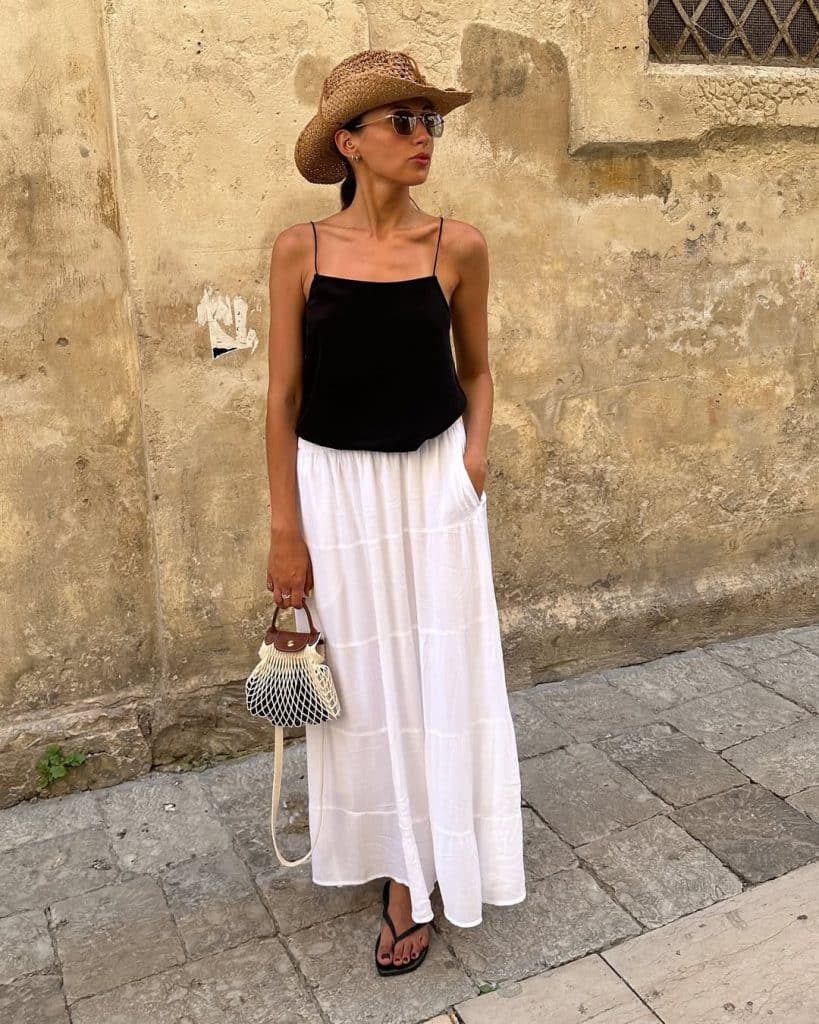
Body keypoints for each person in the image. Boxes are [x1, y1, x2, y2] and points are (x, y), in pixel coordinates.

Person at [265, 49, 526, 977]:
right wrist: (286, 530)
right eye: (404, 122)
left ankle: (439, 856)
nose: (424, 138)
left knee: (445, 668)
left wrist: (473, 462)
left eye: (431, 121)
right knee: (366, 683)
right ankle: (394, 861)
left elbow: (477, 371)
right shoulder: (299, 250)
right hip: (336, 491)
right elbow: (281, 398)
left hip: (432, 483)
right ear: (349, 143)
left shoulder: (458, 246)